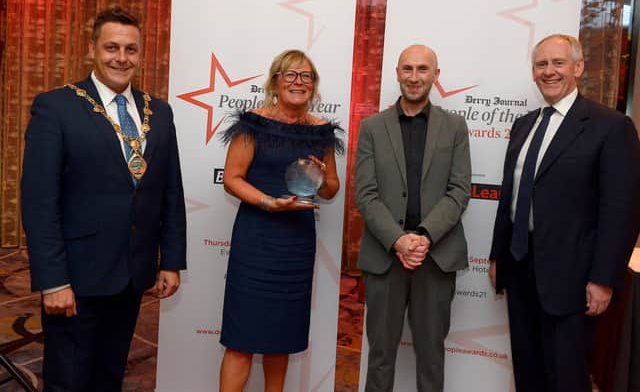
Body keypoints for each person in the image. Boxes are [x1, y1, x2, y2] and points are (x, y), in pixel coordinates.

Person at [21, 6, 187, 392]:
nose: (121, 58)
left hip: (132, 274)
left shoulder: (158, 113)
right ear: (93, 49)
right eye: (112, 47)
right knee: (68, 379)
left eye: (131, 49)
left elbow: (170, 191)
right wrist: (52, 281)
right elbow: (39, 203)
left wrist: (171, 260)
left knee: (109, 376)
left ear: (141, 53)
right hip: (75, 278)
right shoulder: (56, 107)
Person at [489, 34, 640, 391]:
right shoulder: (524, 124)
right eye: (541, 64)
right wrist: (498, 256)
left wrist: (604, 279)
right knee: (528, 372)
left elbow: (621, 211)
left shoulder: (611, 126)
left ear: (578, 67)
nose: (549, 72)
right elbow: (510, 197)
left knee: (566, 377)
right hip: (520, 268)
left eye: (558, 63)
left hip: (572, 279)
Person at [218, 49, 343, 392]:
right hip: (257, 238)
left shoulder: (322, 132)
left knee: (281, 336)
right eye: (290, 75)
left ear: (314, 86)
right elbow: (232, 178)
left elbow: (332, 189)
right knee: (241, 337)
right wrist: (269, 203)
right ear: (275, 82)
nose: (298, 82)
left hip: (296, 244)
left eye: (306, 76)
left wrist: (321, 176)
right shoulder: (252, 124)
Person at [355, 44, 471, 392]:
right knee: (379, 357)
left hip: (435, 258)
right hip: (384, 258)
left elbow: (459, 190)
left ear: (436, 75)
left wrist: (422, 236)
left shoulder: (454, 127)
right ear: (397, 73)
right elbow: (366, 193)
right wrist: (399, 240)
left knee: (431, 357)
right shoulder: (372, 127)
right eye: (407, 69)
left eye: (423, 69)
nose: (414, 77)